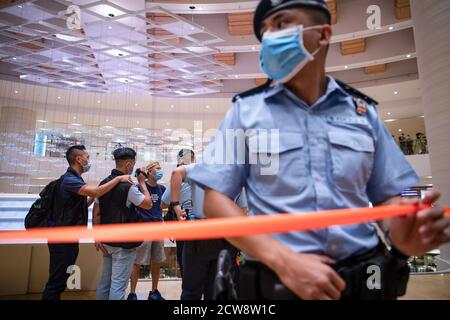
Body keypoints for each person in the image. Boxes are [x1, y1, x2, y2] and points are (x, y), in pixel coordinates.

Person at [187, 0, 450, 300]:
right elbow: (214, 201)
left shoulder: (363, 113)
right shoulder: (244, 112)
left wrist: (402, 227)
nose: (269, 36)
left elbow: (395, 192)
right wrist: (282, 260)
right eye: (264, 30)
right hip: (277, 281)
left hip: (364, 279)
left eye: (281, 24)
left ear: (323, 34)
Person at [42, 145, 133, 300]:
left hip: (69, 238)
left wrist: (99, 196)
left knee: (60, 279)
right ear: (78, 159)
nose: (88, 160)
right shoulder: (69, 179)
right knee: (56, 281)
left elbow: (82, 205)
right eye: (87, 157)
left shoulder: (75, 179)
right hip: (62, 239)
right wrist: (117, 179)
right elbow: (95, 191)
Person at [162, 149, 248, 300]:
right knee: (215, 289)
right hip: (225, 235)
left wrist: (176, 205)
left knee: (191, 290)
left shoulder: (198, 169)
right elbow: (243, 211)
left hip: (198, 233)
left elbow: (176, 173)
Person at [94, 147, 153, 300]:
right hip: (123, 244)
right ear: (128, 164)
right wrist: (142, 183)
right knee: (118, 285)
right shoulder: (128, 187)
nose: (133, 166)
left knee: (105, 283)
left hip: (107, 241)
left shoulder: (103, 183)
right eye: (133, 163)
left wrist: (97, 237)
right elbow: (148, 203)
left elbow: (97, 212)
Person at [127, 160, 167, 301]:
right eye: (157, 168)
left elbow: (165, 205)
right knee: (137, 262)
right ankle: (132, 293)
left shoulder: (162, 189)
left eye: (160, 168)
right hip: (143, 229)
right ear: (149, 172)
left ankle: (154, 291)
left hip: (158, 228)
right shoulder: (138, 187)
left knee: (156, 261)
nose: (160, 170)